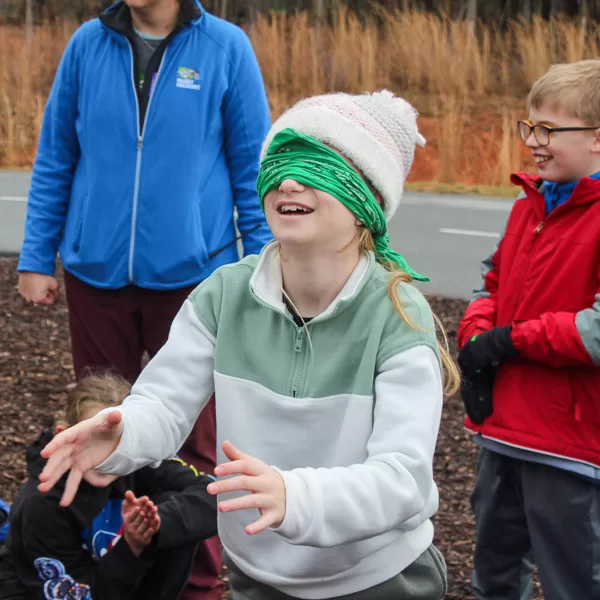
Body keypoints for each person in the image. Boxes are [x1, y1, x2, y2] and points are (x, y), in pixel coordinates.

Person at [36, 90, 461, 600]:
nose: (286, 179)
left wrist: (296, 495)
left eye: (316, 164)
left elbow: (402, 480)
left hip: (377, 579)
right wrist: (122, 436)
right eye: (278, 160)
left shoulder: (396, 315)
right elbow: (164, 405)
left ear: (367, 199)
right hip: (257, 576)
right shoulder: (224, 294)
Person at [16, 0, 272, 596]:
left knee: (191, 444)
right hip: (94, 272)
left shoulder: (226, 47)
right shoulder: (87, 44)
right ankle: (102, 568)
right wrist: (37, 256)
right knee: (102, 425)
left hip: (192, 277)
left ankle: (198, 582)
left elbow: (250, 166)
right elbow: (56, 155)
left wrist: (261, 272)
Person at [457, 59, 600, 600]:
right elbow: (490, 284)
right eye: (529, 127)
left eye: (550, 131)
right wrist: (475, 336)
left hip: (572, 446)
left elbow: (596, 332)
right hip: (504, 432)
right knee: (493, 575)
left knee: (575, 581)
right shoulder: (528, 205)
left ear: (598, 140)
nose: (534, 142)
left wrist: (509, 341)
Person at [0, 373, 218, 599]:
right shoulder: (42, 504)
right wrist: (131, 546)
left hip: (127, 583)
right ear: (65, 434)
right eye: (95, 440)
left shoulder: (141, 458)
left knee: (180, 507)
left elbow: (216, 494)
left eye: (115, 441)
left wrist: (156, 525)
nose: (104, 457)